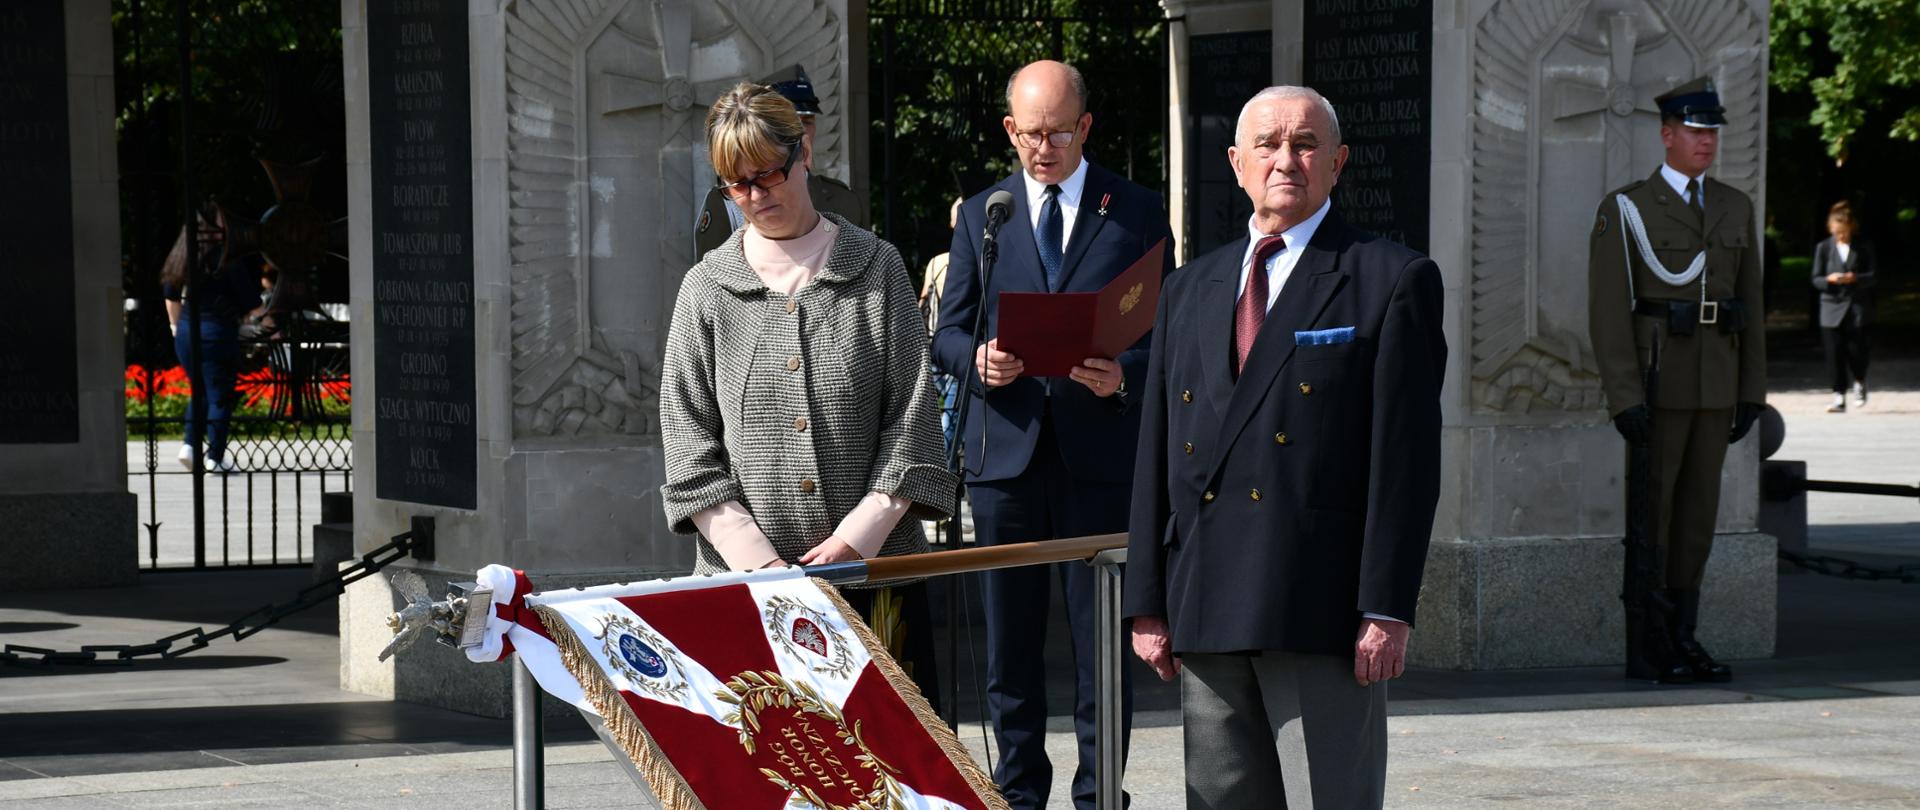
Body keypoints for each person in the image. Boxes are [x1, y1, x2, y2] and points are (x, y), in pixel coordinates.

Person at [1125, 85, 1444, 809]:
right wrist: (1148, 599)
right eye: (1268, 144)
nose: (1286, 160)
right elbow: (1155, 454)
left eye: (1305, 144)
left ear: (1338, 162)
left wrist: (1387, 606)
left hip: (1320, 610)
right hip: (1206, 603)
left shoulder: (1390, 279)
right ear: (1237, 162)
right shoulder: (1189, 289)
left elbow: (1406, 464)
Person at [658, 83, 956, 701]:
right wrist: (762, 565)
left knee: (890, 776)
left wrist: (852, 541)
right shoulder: (706, 289)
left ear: (805, 154)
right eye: (734, 184)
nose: (755, 198)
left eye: (768, 175)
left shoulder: (876, 268)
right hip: (745, 591)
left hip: (875, 579)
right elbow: (689, 445)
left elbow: (912, 420)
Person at [932, 59, 1172, 810]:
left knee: (1101, 642)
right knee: (1010, 648)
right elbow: (946, 332)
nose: (1044, 147)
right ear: (1010, 130)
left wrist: (1123, 373)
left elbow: (1167, 331)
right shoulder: (985, 214)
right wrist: (977, 358)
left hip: (1097, 457)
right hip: (1006, 455)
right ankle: (1019, 794)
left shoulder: (1134, 209)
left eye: (1059, 132)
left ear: (1086, 127)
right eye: (1030, 133)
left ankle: (1102, 794)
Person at [1588, 77, 1765, 684]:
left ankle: (1685, 634)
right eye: (1694, 131)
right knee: (1653, 514)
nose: (1705, 142)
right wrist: (1625, 395)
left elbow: (1752, 304)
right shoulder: (1628, 208)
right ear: (1667, 135)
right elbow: (1609, 312)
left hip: (1716, 382)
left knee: (1696, 515)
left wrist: (1751, 391)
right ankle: (1650, 639)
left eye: (1711, 132)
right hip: (1658, 381)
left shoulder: (1734, 207)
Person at [693, 65, 866, 259]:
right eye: (790, 121)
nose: (756, 195)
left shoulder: (842, 198)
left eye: (807, 121)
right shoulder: (726, 203)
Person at [161, 205, 259, 474]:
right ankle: (214, 456)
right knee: (219, 397)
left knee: (198, 390)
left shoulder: (182, 256)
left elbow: (170, 295)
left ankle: (189, 446)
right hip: (216, 333)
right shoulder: (226, 258)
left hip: (185, 333)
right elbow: (251, 301)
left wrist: (175, 327)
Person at [1812, 200, 1876, 412]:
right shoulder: (1823, 248)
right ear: (1832, 229)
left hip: (1856, 306)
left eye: (1845, 232)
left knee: (1857, 350)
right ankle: (1838, 395)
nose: (1842, 236)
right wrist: (1829, 280)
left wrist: (1855, 278)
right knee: (1834, 352)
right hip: (1831, 307)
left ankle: (1859, 380)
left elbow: (1873, 276)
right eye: (1838, 232)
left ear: (1851, 228)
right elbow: (1816, 278)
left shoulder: (1863, 246)